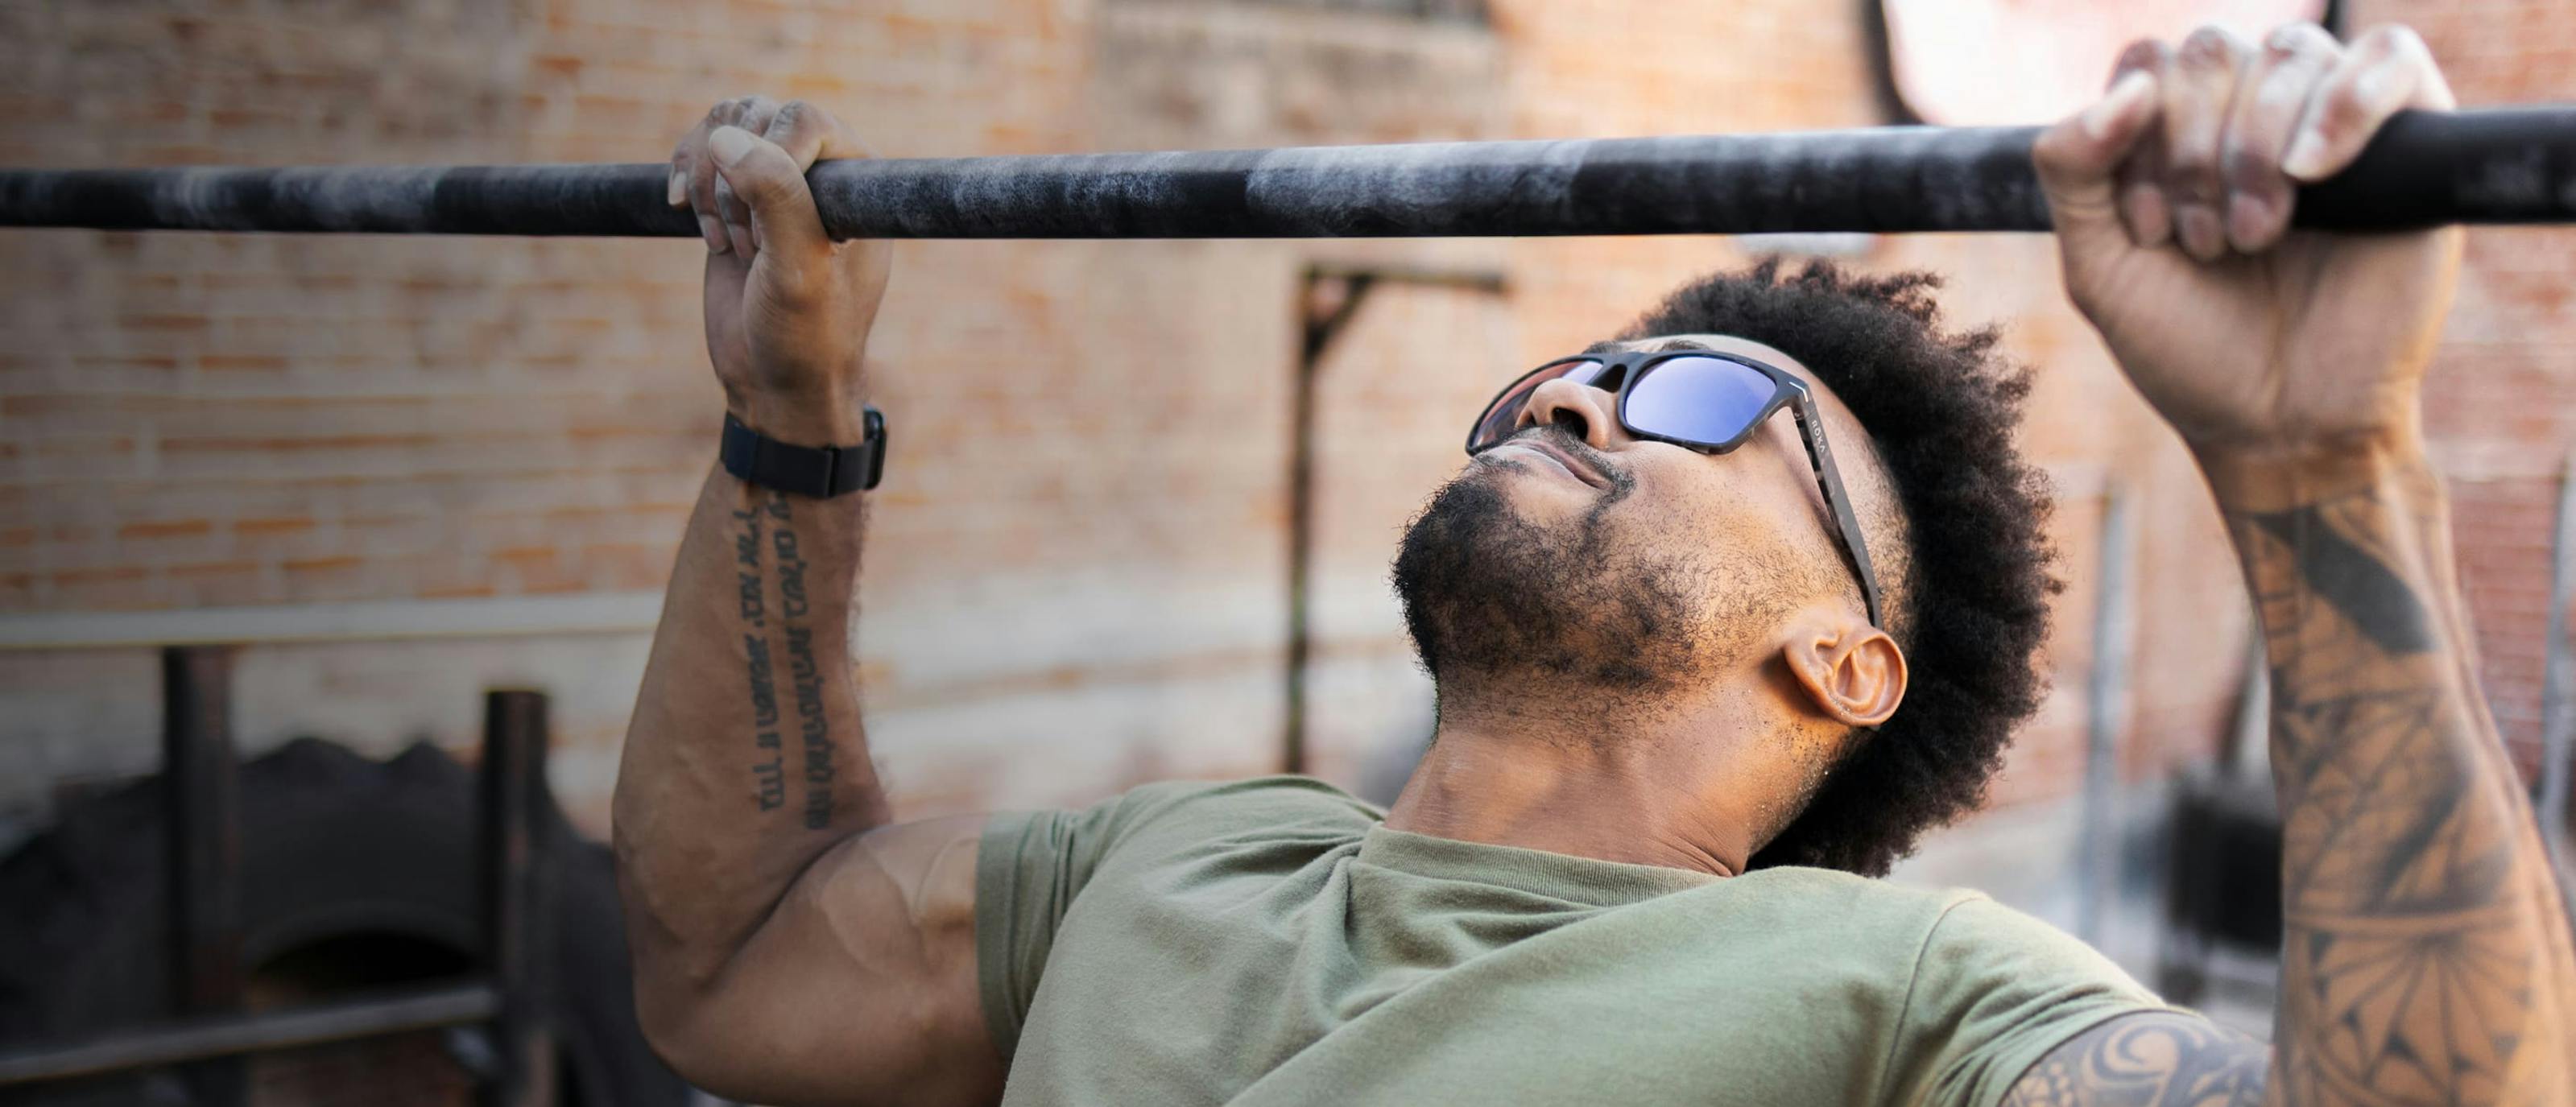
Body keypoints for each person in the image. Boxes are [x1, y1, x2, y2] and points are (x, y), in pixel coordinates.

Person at [611, 21, 2575, 1107]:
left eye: (1704, 399)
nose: (1581, 403)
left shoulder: (1902, 997)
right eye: (1566, 374)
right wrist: (790, 409)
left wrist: (2320, 456)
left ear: (1845, 660)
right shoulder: (1165, 862)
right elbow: (734, 956)